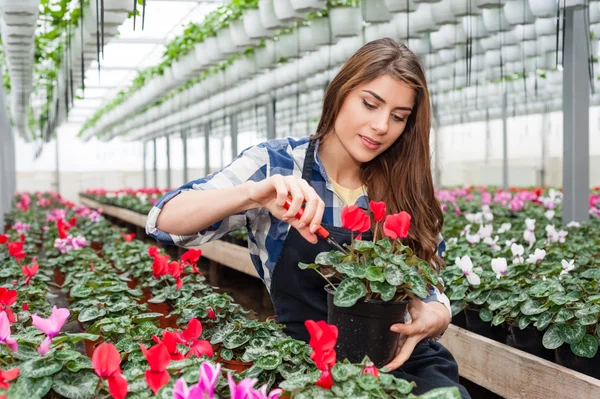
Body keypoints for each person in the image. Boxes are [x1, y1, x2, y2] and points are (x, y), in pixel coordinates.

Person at [146, 38, 469, 398]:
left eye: (398, 117)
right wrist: (252, 194)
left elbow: (428, 273)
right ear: (340, 93)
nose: (381, 126)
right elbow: (163, 219)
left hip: (401, 362)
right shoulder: (278, 164)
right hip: (309, 363)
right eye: (369, 104)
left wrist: (439, 310)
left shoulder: (404, 181)